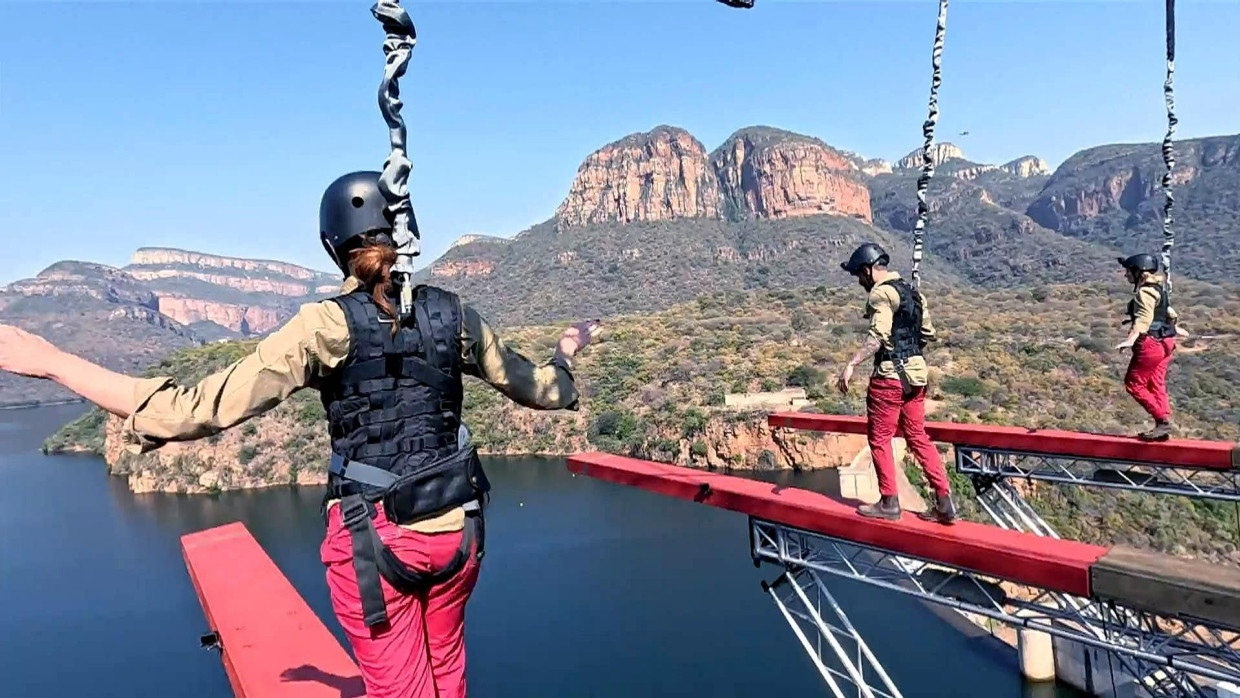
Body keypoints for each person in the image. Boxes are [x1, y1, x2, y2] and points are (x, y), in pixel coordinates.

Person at [0, 170, 603, 698]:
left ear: (332, 244)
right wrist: (566, 351)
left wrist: (55, 362)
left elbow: (197, 409)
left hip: (378, 539)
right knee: (447, 670)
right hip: (458, 532)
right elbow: (542, 389)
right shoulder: (453, 312)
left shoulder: (325, 326)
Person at [836, 242, 956, 524]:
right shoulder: (913, 293)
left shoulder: (881, 294)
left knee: (879, 439)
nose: (859, 281)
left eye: (859, 275)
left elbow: (877, 337)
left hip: (889, 379)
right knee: (918, 437)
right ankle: (944, 502)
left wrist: (851, 364)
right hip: (916, 377)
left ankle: (889, 502)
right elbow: (927, 334)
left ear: (868, 270)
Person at [1115, 253, 1179, 441]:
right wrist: (1175, 328)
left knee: (1134, 383)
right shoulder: (1159, 289)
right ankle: (1164, 421)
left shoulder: (1144, 292)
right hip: (1166, 341)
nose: (1126, 275)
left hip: (1150, 343)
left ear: (1138, 272)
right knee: (1155, 382)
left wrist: (1131, 339)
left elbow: (1144, 319)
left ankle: (1162, 422)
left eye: (1128, 271)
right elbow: (1170, 313)